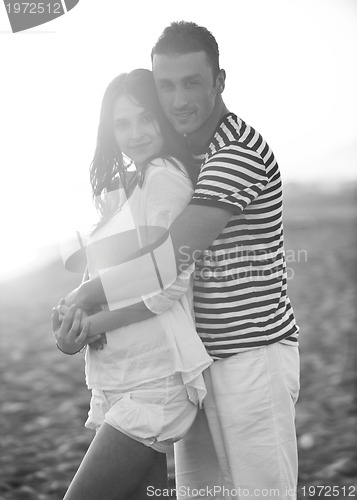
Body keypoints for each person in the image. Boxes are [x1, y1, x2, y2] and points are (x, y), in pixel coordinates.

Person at [63, 22, 300, 500]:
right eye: (166, 86)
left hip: (250, 357)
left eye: (192, 82)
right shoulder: (188, 156)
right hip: (199, 362)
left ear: (220, 81)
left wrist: (86, 298)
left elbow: (171, 261)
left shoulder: (236, 153)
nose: (178, 100)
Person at [51, 68, 212, 500]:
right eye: (123, 123)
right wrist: (75, 328)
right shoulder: (128, 185)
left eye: (145, 118)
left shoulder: (163, 177)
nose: (135, 133)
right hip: (124, 374)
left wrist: (98, 320)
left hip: (153, 379)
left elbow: (166, 286)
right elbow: (103, 280)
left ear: (162, 115)